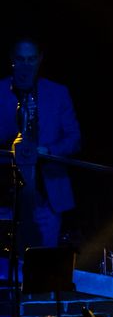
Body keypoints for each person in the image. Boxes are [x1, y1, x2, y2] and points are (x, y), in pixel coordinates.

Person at [1, 37, 81, 249]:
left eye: (31, 59)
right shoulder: (0, 92)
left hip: (47, 199)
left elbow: (74, 139)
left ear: (40, 59)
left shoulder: (58, 93)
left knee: (41, 260)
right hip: (6, 197)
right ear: (12, 59)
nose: (26, 65)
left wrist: (49, 150)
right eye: (21, 59)